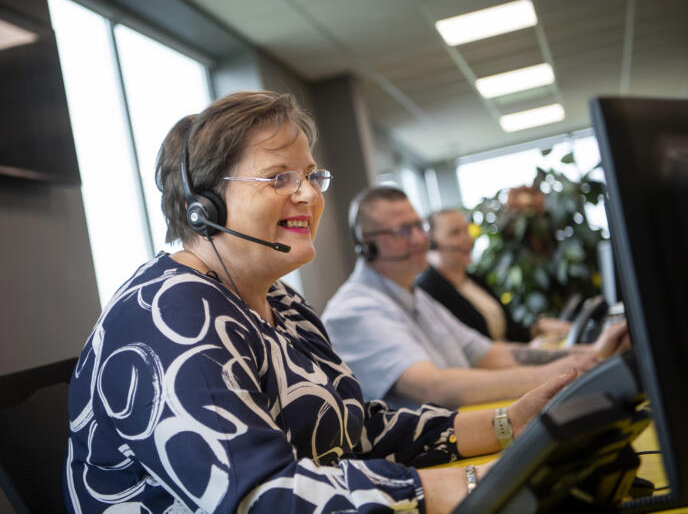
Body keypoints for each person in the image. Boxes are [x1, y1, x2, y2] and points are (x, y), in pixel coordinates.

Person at [63, 91, 579, 514]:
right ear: (204, 207)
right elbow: (264, 499)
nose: (308, 195)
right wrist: (469, 483)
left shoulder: (280, 301)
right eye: (279, 177)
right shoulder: (170, 317)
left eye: (311, 175)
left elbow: (357, 428)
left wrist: (508, 423)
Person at [322, 186, 628, 410]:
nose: (420, 239)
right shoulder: (355, 310)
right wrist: (553, 374)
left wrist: (588, 352)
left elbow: (489, 354)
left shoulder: (415, 296)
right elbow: (434, 386)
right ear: (367, 247)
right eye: (402, 231)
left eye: (419, 226)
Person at [416, 208, 572, 343]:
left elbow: (512, 332)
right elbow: (473, 349)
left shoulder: (473, 279)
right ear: (431, 242)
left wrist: (539, 329)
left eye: (466, 230)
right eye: (455, 233)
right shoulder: (427, 291)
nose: (468, 239)